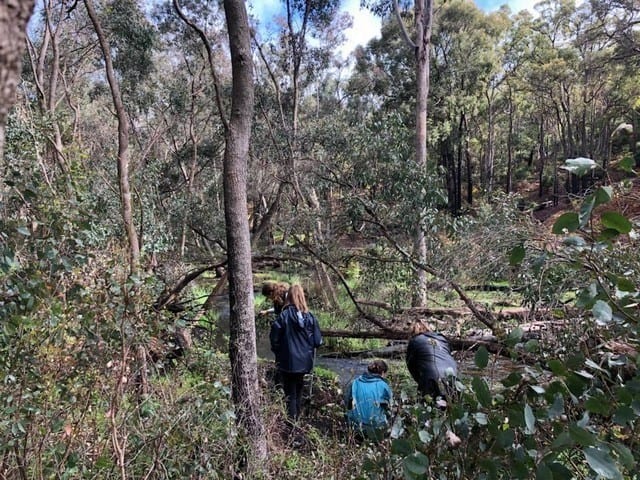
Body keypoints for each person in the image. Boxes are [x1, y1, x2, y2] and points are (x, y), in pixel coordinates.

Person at [270, 284, 323, 420]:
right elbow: (317, 341)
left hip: (287, 361)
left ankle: (292, 423)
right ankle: (296, 419)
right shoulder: (310, 317)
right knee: (298, 391)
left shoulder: (284, 315)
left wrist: (278, 351)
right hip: (304, 362)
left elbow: (274, 337)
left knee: (290, 393)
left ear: (289, 297)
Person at [406, 320, 458, 406]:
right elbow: (448, 355)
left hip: (431, 376)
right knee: (451, 409)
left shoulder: (415, 341)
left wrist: (420, 381)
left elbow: (411, 365)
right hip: (452, 375)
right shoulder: (442, 339)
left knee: (428, 410)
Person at [344, 359, 393, 441]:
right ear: (383, 373)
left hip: (356, 429)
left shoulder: (354, 383)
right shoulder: (384, 386)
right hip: (377, 430)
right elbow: (390, 408)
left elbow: (346, 404)